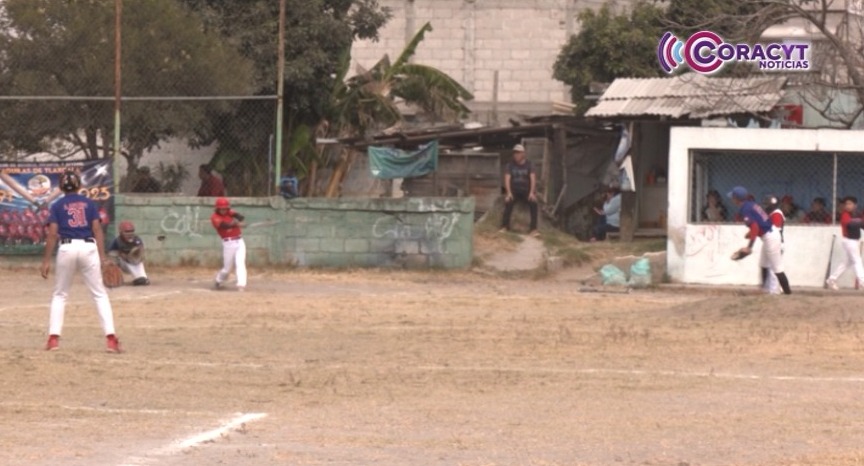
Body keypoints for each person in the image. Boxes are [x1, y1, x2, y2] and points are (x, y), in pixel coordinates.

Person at [39, 169, 122, 352]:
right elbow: (97, 230)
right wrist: (102, 258)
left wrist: (46, 261)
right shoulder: (89, 203)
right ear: (80, 186)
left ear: (61, 187)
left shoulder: (57, 205)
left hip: (67, 248)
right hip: (88, 247)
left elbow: (52, 234)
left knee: (60, 294)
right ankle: (111, 340)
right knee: (99, 294)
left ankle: (53, 339)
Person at [728, 186, 791, 295]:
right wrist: (750, 234)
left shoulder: (745, 208)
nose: (732, 199)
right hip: (768, 235)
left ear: (736, 199)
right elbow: (759, 222)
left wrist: (749, 247)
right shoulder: (751, 204)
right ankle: (765, 291)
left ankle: (786, 294)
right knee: (764, 264)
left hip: (771, 237)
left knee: (777, 269)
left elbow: (755, 227)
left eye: (733, 197)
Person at [826, 196, 864, 291]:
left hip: (855, 241)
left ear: (855, 205)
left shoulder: (855, 215)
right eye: (846, 204)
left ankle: (832, 279)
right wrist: (860, 221)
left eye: (850, 204)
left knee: (847, 262)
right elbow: (851, 224)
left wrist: (861, 221)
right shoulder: (845, 214)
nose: (847, 206)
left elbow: (861, 225)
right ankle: (862, 282)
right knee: (857, 260)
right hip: (849, 241)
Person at [500, 143, 539, 236]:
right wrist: (508, 193)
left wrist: (531, 193)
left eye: (518, 153)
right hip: (514, 191)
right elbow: (507, 179)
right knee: (508, 202)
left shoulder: (529, 165)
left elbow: (533, 178)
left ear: (523, 154)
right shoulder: (510, 165)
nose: (516, 155)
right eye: (515, 153)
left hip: (526, 191)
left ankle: (533, 229)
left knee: (534, 204)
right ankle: (504, 226)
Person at [211, 197, 247, 291]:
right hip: (228, 243)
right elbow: (224, 226)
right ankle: (219, 280)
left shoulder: (229, 212)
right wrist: (235, 224)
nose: (223, 210)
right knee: (227, 268)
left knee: (240, 263)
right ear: (217, 208)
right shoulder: (215, 217)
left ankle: (241, 285)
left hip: (239, 241)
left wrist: (240, 222)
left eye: (225, 208)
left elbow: (240, 217)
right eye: (221, 208)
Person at [108, 220, 150, 286]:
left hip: (132, 260)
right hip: (122, 262)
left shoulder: (136, 239)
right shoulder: (117, 241)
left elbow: (141, 249)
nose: (130, 233)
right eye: (127, 231)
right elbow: (111, 254)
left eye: (132, 231)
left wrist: (136, 255)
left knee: (138, 262)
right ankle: (116, 277)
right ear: (121, 232)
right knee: (113, 258)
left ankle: (141, 278)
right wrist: (120, 255)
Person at [761, 195, 785, 294]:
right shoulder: (771, 214)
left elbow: (775, 230)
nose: (766, 207)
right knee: (765, 265)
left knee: (773, 268)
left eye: (768, 205)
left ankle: (774, 291)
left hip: (776, 243)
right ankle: (769, 289)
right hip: (770, 243)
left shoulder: (777, 214)